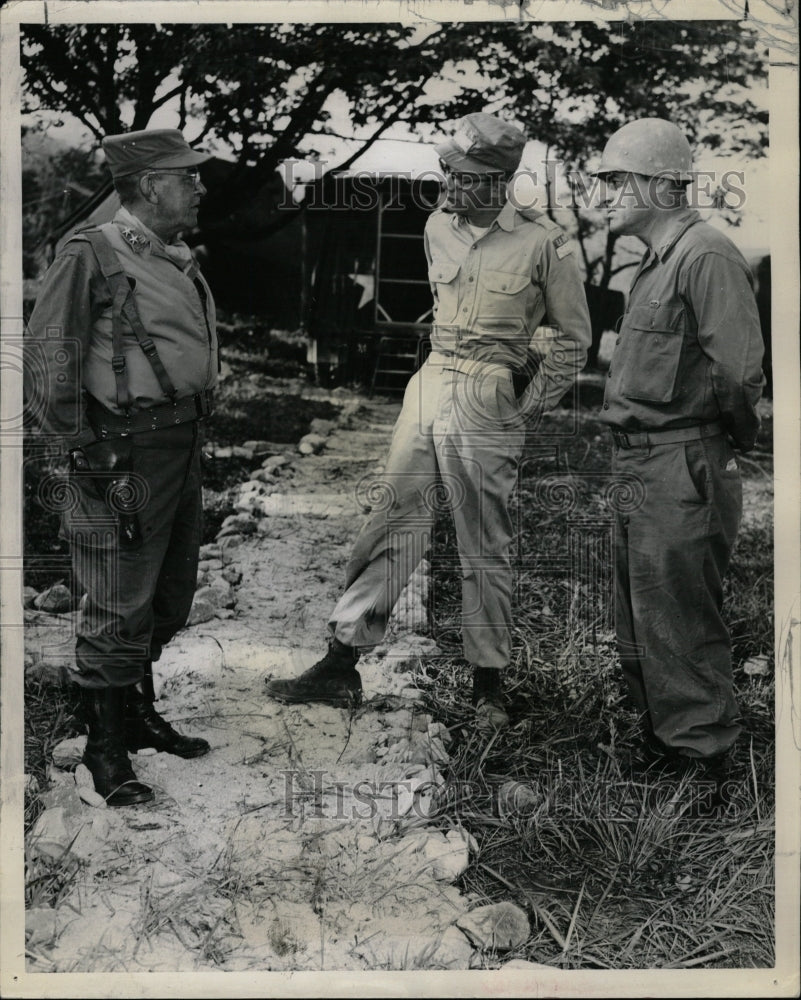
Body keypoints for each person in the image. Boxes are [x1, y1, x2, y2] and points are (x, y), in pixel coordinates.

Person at [266, 112, 591, 729]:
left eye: (464, 177)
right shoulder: (437, 225)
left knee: (481, 539)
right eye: (446, 170)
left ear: (498, 182)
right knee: (392, 515)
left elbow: (574, 337)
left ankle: (488, 684)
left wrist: (527, 404)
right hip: (434, 378)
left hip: (489, 393)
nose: (449, 185)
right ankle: (340, 661)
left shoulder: (543, 242)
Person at [25, 128, 218, 806]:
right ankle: (104, 748)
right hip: (120, 454)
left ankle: (132, 709)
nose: (199, 187)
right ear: (147, 186)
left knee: (169, 595)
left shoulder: (166, 255)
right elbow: (49, 358)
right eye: (186, 177)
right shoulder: (91, 252)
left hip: (177, 446)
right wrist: (81, 447)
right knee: (117, 597)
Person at [593, 118, 765, 789]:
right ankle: (663, 745)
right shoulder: (654, 263)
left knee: (679, 613)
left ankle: (701, 764)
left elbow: (739, 374)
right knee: (638, 610)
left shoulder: (705, 256)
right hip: (637, 460)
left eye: (615, 180)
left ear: (662, 185)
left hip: (679, 459)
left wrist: (714, 449)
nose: (603, 194)